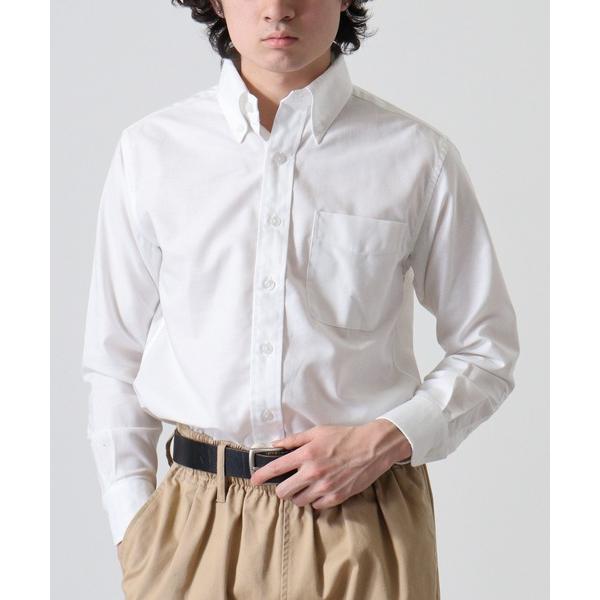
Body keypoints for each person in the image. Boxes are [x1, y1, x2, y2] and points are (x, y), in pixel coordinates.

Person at [81, 1, 520, 598]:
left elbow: (487, 348)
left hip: (364, 520)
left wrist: (387, 438)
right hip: (192, 528)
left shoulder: (417, 156)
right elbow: (114, 359)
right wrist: (133, 525)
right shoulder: (152, 152)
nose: (277, 10)